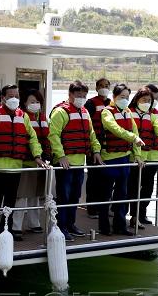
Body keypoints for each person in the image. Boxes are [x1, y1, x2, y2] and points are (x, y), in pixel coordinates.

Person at [0, 84, 47, 243]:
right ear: (3, 98)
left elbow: (32, 139)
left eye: (16, 96)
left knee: (9, 206)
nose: (14, 99)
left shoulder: (24, 116)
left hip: (14, 171)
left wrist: (37, 156)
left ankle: (5, 233)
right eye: (10, 96)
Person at [49, 80, 103, 241]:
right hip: (64, 164)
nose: (82, 98)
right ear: (70, 94)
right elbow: (53, 135)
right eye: (79, 95)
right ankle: (61, 227)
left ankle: (71, 224)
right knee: (63, 196)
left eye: (84, 96)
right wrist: (61, 156)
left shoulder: (85, 112)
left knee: (75, 196)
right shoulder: (60, 112)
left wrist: (97, 150)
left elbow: (91, 134)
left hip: (80, 162)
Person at [98, 83, 144, 236]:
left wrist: (137, 155)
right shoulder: (106, 112)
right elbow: (115, 129)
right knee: (105, 194)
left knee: (122, 195)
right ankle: (104, 226)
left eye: (127, 97)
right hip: (109, 159)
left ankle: (120, 225)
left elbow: (135, 132)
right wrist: (133, 137)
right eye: (122, 97)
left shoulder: (127, 112)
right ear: (114, 97)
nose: (125, 100)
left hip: (124, 159)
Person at [126, 87, 158, 228]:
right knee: (133, 187)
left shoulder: (156, 116)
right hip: (135, 158)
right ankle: (133, 215)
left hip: (153, 157)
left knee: (148, 188)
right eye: (147, 99)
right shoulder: (129, 113)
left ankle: (141, 214)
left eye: (154, 100)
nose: (151, 102)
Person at [13, 89, 51, 236]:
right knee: (21, 196)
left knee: (35, 195)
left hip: (40, 164)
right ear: (24, 103)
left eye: (37, 102)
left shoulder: (43, 118)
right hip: (26, 163)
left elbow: (48, 138)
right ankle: (16, 226)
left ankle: (34, 223)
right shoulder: (22, 118)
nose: (35, 104)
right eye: (31, 102)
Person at [84, 78, 111, 218]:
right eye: (101, 86)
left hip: (109, 147)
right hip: (94, 146)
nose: (104, 88)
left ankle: (105, 207)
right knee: (94, 177)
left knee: (106, 178)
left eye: (106, 86)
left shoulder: (112, 103)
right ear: (96, 88)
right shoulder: (90, 103)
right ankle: (92, 208)